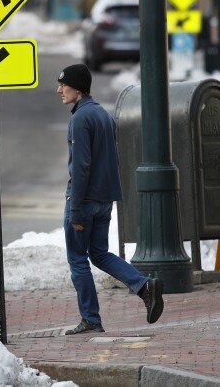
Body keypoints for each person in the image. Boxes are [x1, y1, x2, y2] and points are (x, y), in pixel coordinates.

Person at [56, 63, 164, 335]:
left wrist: (77, 211)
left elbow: (80, 167)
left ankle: (91, 319)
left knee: (78, 259)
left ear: (78, 88)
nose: (59, 90)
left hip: (85, 201)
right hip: (104, 201)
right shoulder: (103, 115)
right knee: (100, 254)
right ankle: (144, 286)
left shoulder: (79, 119)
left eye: (64, 85)